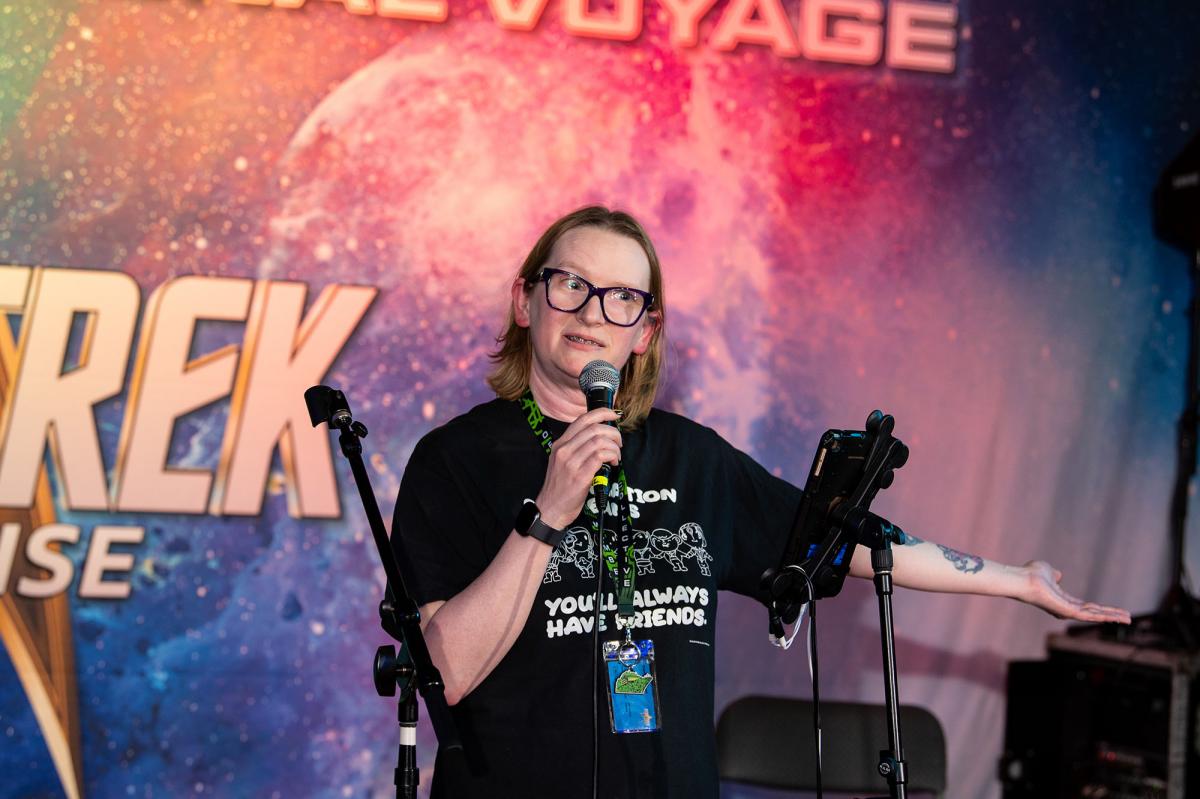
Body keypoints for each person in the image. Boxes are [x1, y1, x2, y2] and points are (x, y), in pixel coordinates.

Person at [392, 206, 1130, 798]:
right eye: (570, 284)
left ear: (645, 332)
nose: (593, 312)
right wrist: (549, 513)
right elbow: (445, 671)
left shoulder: (691, 457)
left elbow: (850, 539)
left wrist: (1017, 580)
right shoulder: (454, 461)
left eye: (622, 298)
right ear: (525, 300)